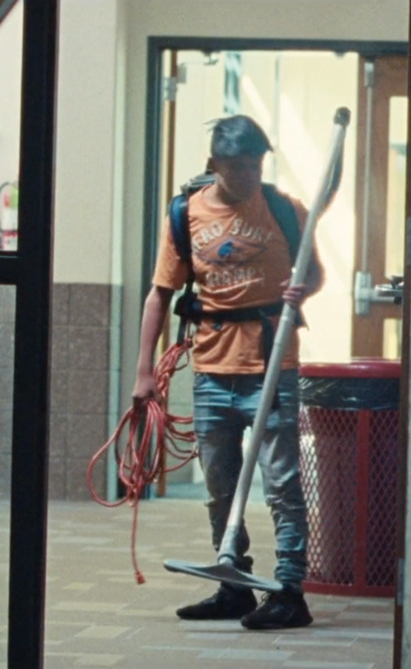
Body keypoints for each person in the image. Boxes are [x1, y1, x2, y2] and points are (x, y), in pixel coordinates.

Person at [132, 115, 322, 630]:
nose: (248, 175)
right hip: (212, 369)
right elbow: (160, 294)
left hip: (270, 366)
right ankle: (233, 580)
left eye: (256, 164)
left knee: (281, 483)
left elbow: (316, 271)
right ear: (215, 164)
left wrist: (302, 290)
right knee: (220, 485)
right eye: (237, 166)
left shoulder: (284, 208)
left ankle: (289, 591)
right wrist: (144, 371)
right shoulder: (185, 213)